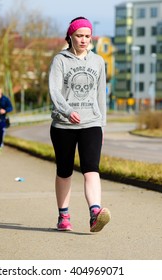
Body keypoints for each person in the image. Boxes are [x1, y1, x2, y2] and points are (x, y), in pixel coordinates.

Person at [48, 16, 110, 232]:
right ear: (70, 37)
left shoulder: (98, 62)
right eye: (79, 36)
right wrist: (67, 111)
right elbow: (55, 91)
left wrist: (102, 123)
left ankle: (95, 212)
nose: (83, 40)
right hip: (63, 126)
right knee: (64, 171)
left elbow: (101, 94)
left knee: (91, 168)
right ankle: (63, 215)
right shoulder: (60, 60)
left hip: (91, 123)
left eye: (87, 36)